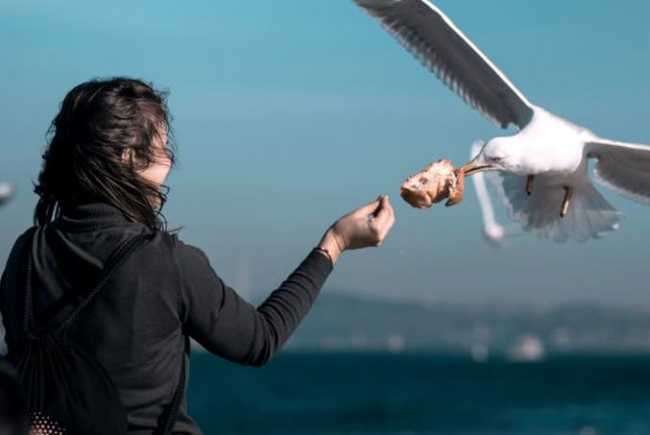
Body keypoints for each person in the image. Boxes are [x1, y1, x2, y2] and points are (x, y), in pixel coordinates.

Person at [0, 77, 396, 433]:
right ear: (127, 158)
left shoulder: (25, 254)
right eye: (161, 147)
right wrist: (335, 243)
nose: (170, 162)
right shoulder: (165, 261)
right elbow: (260, 340)